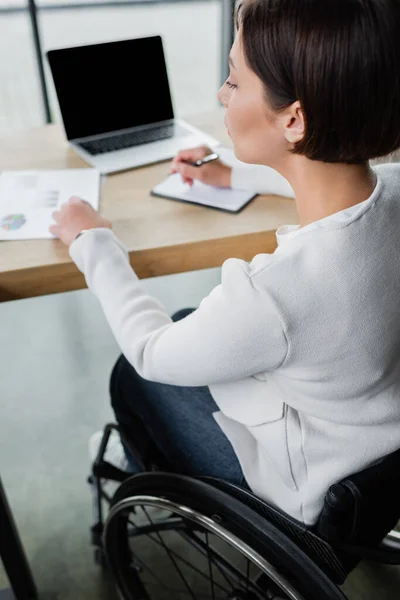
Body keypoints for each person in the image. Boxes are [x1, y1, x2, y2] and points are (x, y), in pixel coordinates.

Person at [50, 0, 400, 525]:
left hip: (307, 493)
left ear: (294, 118)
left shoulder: (274, 293)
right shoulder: (395, 192)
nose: (220, 93)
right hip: (377, 464)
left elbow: (150, 351)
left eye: (233, 81)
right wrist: (234, 175)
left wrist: (93, 242)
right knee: (193, 323)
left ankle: (163, 489)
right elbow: (347, 193)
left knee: (133, 373)